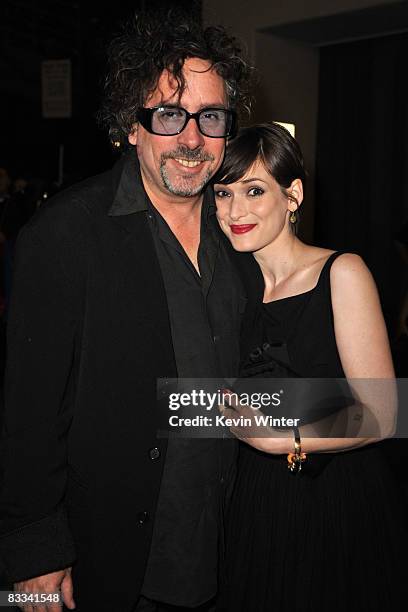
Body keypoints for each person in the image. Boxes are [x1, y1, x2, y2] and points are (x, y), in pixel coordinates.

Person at [0, 12, 252, 612]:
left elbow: (238, 393)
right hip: (109, 565)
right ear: (131, 127)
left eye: (210, 117)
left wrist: (354, 415)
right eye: (169, 114)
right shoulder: (66, 234)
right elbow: (27, 414)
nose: (192, 138)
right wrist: (31, 555)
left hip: (225, 553)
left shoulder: (242, 237)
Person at [212, 123, 407, 611]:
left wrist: (285, 438)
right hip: (252, 501)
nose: (235, 211)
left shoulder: (341, 272)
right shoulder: (225, 287)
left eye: (254, 191)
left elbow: (383, 412)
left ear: (292, 195)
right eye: (223, 193)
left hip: (334, 500)